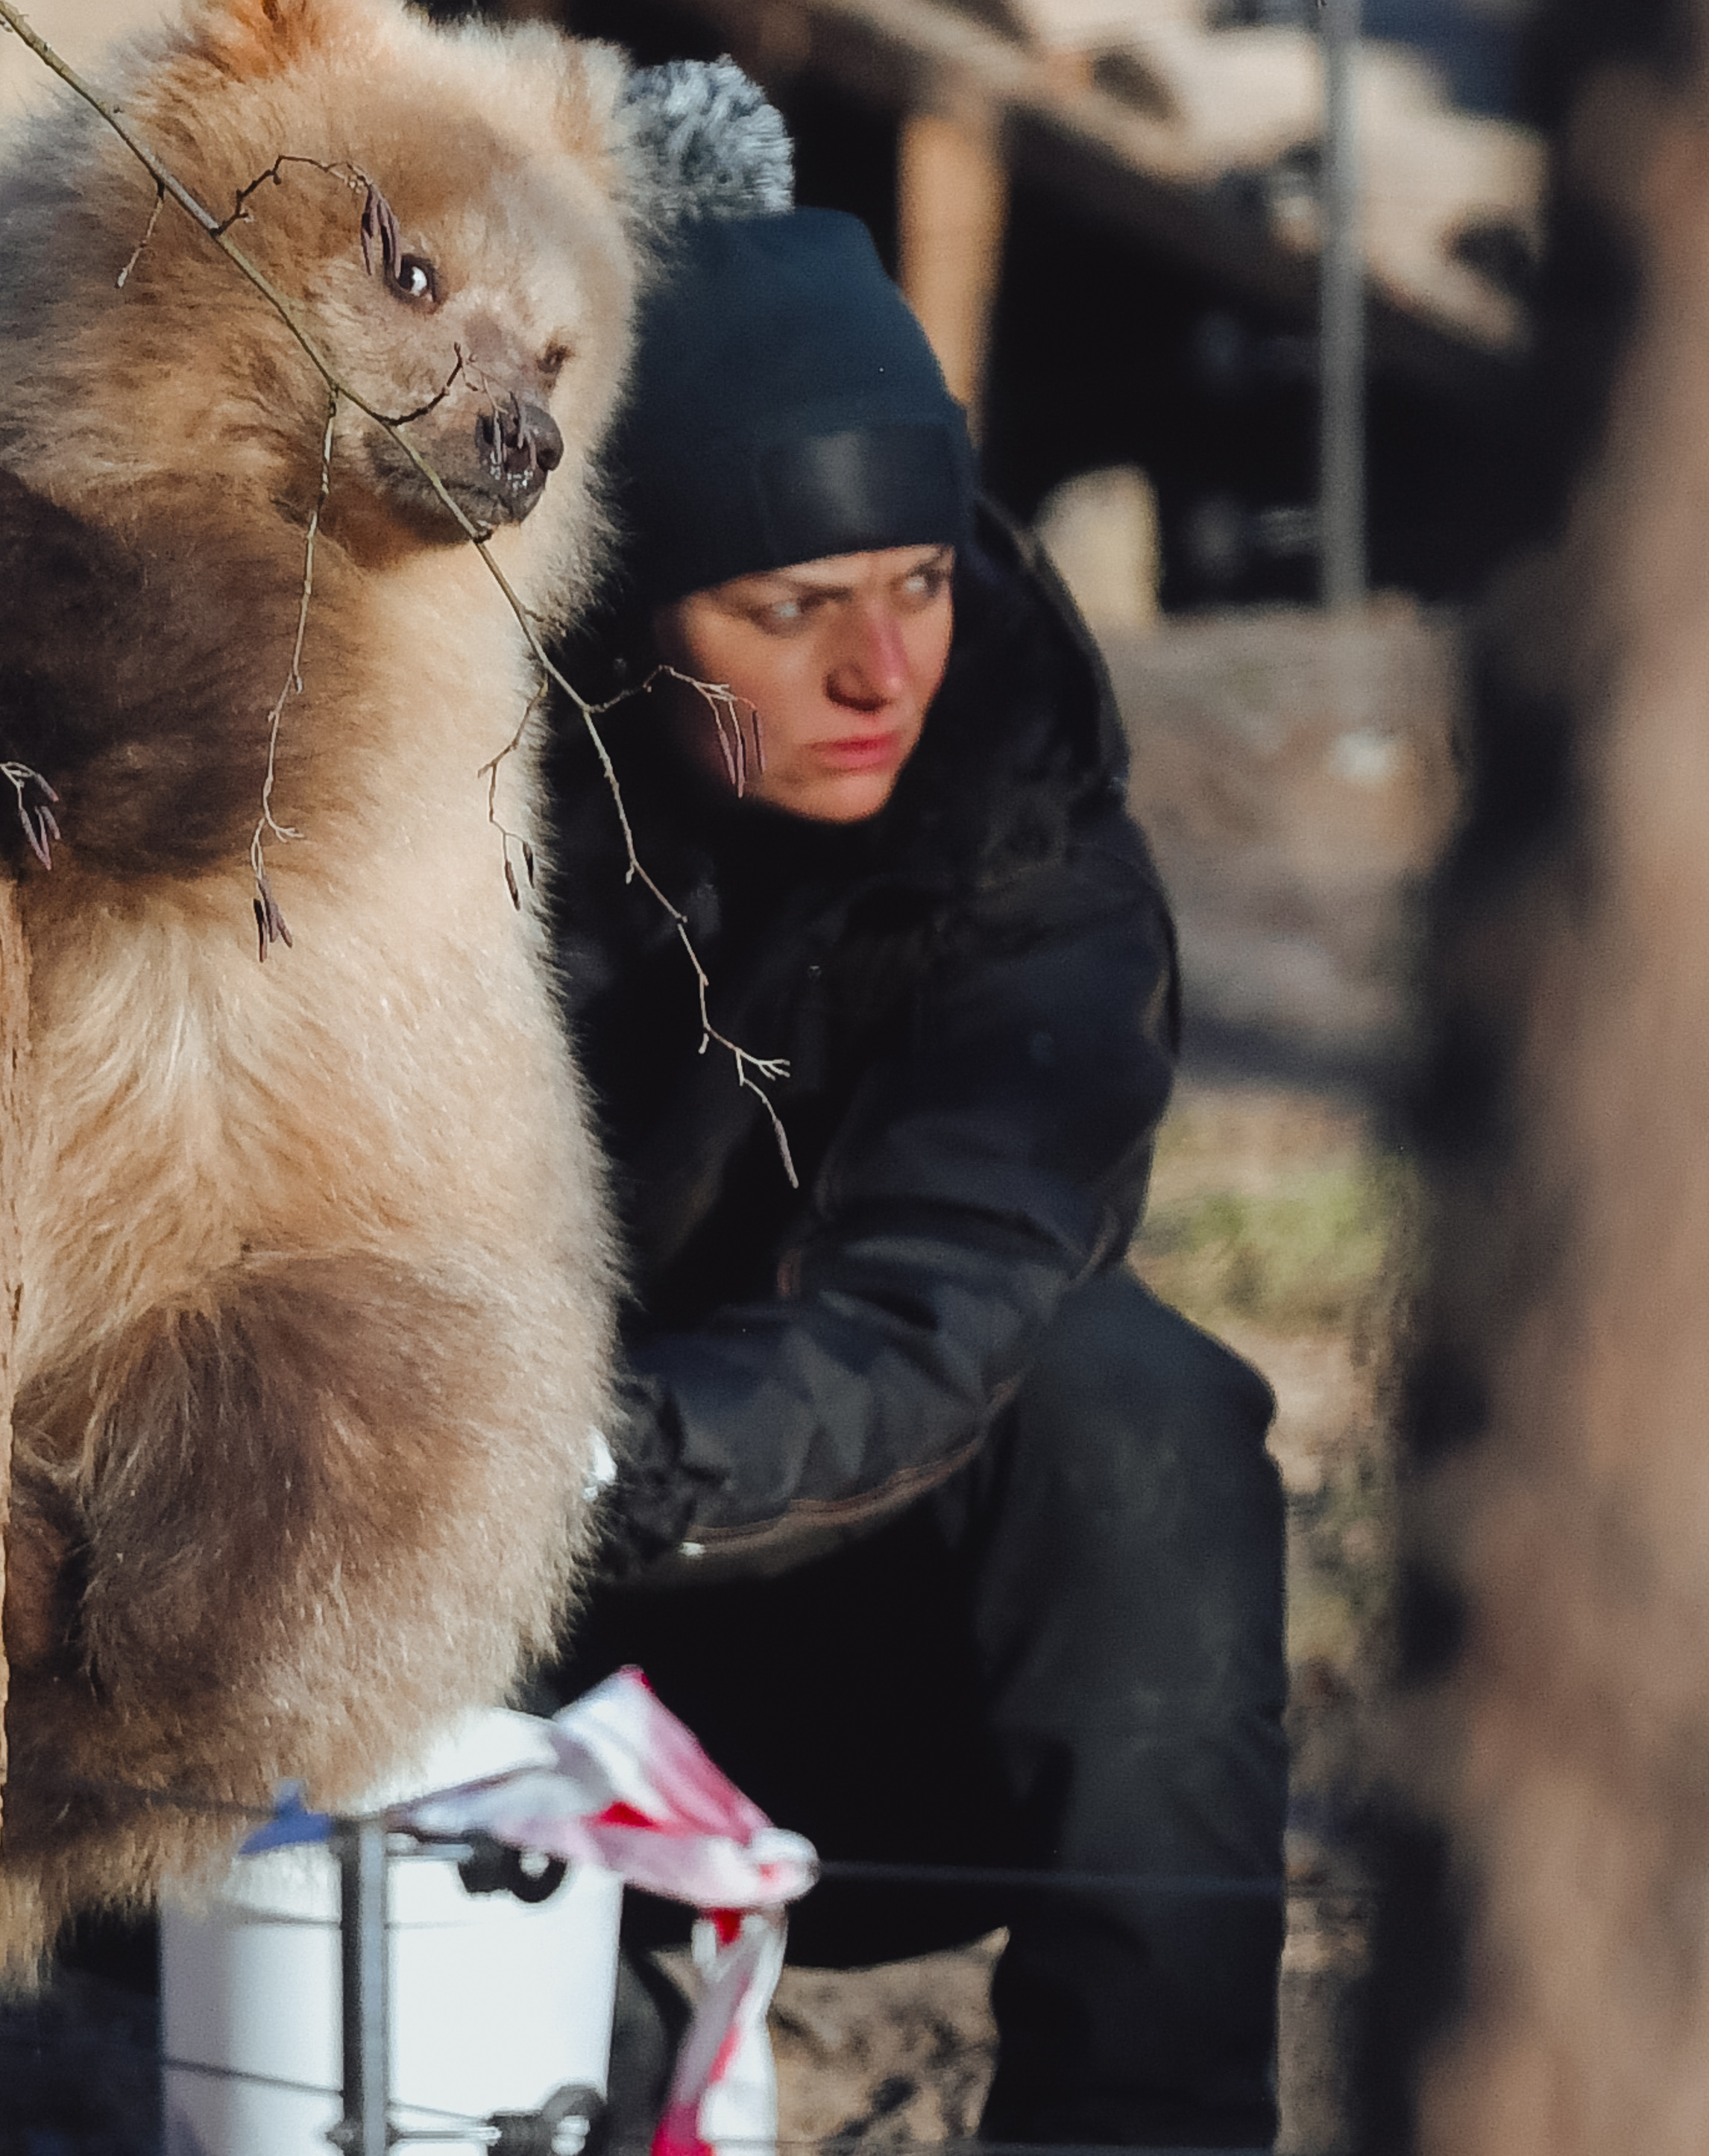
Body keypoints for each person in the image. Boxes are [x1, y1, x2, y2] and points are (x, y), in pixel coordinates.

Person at [550, 202, 1289, 2152]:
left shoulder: (1024, 849)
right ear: (619, 598)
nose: (889, 670)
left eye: (924, 579)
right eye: (793, 611)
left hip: (823, 1677)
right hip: (385, 1661)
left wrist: (568, 1454)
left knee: (1142, 1411)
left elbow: (932, 1315)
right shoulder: (423, 798)